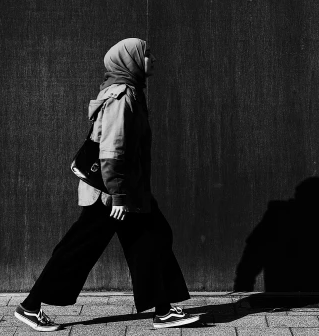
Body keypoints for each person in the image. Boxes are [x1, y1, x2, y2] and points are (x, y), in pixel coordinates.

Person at [14, 38, 200, 332]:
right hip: (110, 194)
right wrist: (118, 195)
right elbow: (111, 151)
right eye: (147, 54)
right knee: (78, 248)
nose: (152, 59)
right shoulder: (121, 96)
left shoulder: (133, 93)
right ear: (131, 60)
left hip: (128, 190)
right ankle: (30, 306)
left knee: (152, 239)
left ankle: (164, 310)